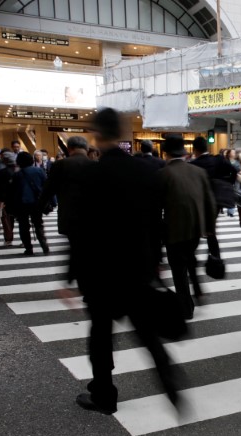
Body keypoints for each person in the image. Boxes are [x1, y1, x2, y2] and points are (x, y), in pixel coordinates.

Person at [70, 108, 183, 415]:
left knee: (101, 335)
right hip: (138, 267)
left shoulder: (92, 174)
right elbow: (157, 223)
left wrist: (70, 275)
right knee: (146, 331)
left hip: (102, 272)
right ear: (121, 132)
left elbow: (81, 231)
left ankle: (104, 395)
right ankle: (168, 378)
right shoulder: (147, 172)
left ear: (97, 134)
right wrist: (156, 261)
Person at [159, 134, 216, 319]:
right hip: (195, 230)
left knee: (178, 269)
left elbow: (155, 206)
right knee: (188, 258)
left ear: (166, 153)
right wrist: (209, 227)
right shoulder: (198, 172)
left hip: (174, 229)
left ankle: (186, 307)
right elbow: (210, 202)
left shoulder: (163, 174)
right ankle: (197, 291)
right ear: (184, 152)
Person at [40, 136, 94, 259]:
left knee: (75, 246)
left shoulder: (60, 165)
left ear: (69, 148)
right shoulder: (95, 165)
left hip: (69, 214)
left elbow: (48, 190)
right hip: (92, 215)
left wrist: (40, 209)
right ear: (86, 148)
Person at [190, 136, 234, 259]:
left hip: (200, 201)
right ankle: (215, 256)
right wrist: (226, 183)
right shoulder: (218, 159)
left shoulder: (193, 164)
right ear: (207, 147)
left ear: (195, 150)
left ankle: (191, 256)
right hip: (216, 201)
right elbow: (233, 171)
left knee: (198, 230)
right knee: (210, 230)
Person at [9, 152, 50, 256]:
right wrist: (52, 202)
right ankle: (44, 244)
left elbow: (13, 192)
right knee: (38, 223)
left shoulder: (17, 174)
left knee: (23, 226)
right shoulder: (39, 171)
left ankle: (28, 248)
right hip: (36, 202)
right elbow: (46, 186)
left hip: (22, 203)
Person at [0, 150, 17, 246]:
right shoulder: (19, 170)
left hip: (7, 199)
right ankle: (25, 241)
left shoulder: (2, 172)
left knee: (7, 219)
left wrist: (0, 199)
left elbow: (1, 187)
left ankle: (8, 239)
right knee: (23, 220)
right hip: (19, 198)